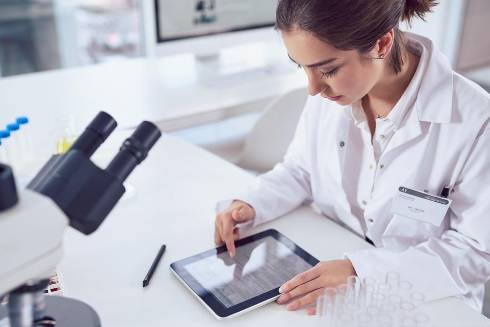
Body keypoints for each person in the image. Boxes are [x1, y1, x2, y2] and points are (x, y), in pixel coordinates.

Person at [214, 0, 490, 314]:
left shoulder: (478, 122)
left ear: (382, 43)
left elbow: (475, 254)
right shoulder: (332, 94)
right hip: (331, 282)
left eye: (328, 69)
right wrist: (252, 204)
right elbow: (301, 170)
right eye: (301, 66)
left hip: (430, 303)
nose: (312, 88)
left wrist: (359, 271)